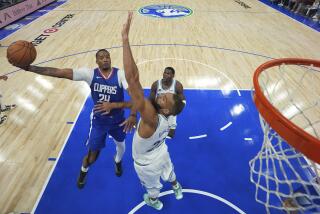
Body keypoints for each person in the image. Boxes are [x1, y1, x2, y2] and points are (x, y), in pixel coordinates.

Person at [13, 49, 137, 189]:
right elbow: (58, 72)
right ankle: (83, 171)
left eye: (107, 56)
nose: (105, 59)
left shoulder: (120, 75)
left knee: (121, 145)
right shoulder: (90, 74)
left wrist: (132, 114)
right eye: (101, 57)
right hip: (99, 122)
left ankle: (118, 161)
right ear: (96, 61)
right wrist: (30, 68)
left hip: (118, 120)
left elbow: (136, 97)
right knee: (91, 158)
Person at [121, 12, 185, 210]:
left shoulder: (151, 117)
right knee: (170, 171)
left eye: (165, 96)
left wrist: (125, 39)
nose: (162, 94)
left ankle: (154, 201)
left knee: (153, 188)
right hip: (161, 150)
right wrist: (132, 113)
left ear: (165, 107)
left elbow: (132, 80)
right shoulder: (167, 118)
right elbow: (139, 86)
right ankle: (176, 186)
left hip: (146, 163)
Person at [149, 67, 185, 138]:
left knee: (171, 134)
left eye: (168, 73)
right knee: (154, 132)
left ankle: (171, 128)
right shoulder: (156, 84)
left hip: (171, 111)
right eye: (164, 72)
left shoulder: (177, 85)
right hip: (159, 109)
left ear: (173, 75)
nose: (165, 75)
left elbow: (182, 100)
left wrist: (176, 111)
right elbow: (151, 99)